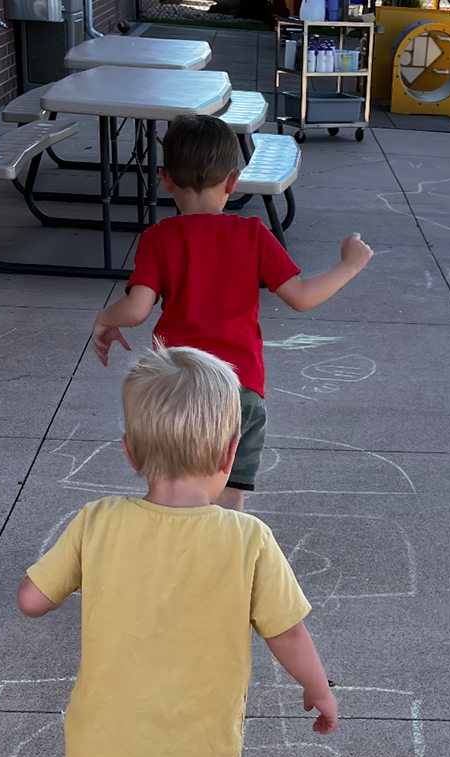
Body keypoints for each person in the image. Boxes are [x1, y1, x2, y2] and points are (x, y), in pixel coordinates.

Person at [17, 346, 338, 757]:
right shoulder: (247, 540)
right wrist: (317, 688)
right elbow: (286, 633)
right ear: (230, 454)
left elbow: (31, 601)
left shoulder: (96, 522)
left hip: (104, 750)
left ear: (130, 452)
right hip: (195, 752)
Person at [91, 114, 374, 511]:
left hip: (175, 388)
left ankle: (162, 560)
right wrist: (349, 265)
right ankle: (226, 567)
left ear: (165, 178)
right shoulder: (253, 233)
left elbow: (137, 309)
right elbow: (301, 296)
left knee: (168, 492)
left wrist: (105, 318)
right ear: (233, 182)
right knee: (228, 498)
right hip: (237, 390)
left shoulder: (159, 238)